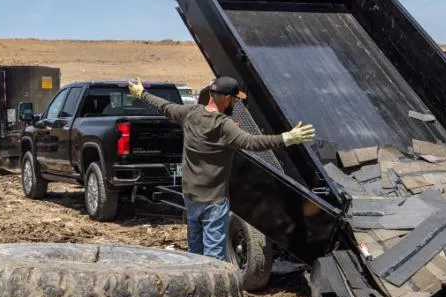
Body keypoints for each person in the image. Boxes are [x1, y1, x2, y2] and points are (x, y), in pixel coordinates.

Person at [128, 76, 316, 260]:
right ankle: (212, 289)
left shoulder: (190, 113)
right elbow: (252, 142)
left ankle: (197, 285)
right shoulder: (224, 126)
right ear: (227, 99)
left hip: (191, 196)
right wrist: (286, 138)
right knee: (213, 257)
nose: (235, 103)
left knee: (195, 250)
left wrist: (142, 93)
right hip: (213, 200)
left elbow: (164, 106)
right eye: (235, 99)